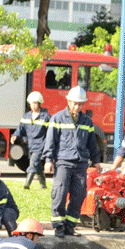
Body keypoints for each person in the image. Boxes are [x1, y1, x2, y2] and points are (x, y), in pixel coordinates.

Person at [42, 86, 102, 237]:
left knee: (79, 195)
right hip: (63, 161)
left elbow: (92, 143)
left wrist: (96, 161)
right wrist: (48, 160)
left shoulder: (87, 121)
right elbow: (50, 141)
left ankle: (70, 226)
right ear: (68, 101)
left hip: (81, 163)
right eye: (74, 103)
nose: (77, 106)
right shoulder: (57, 118)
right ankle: (59, 226)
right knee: (60, 193)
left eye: (80, 104)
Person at [11, 91, 50, 189]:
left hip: (41, 145)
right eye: (31, 103)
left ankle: (26, 185)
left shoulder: (46, 117)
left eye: (35, 103)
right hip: (31, 145)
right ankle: (43, 185)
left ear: (39, 103)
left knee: (33, 164)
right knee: (37, 166)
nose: (33, 105)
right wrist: (15, 135)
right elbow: (20, 128)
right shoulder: (27, 116)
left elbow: (51, 132)